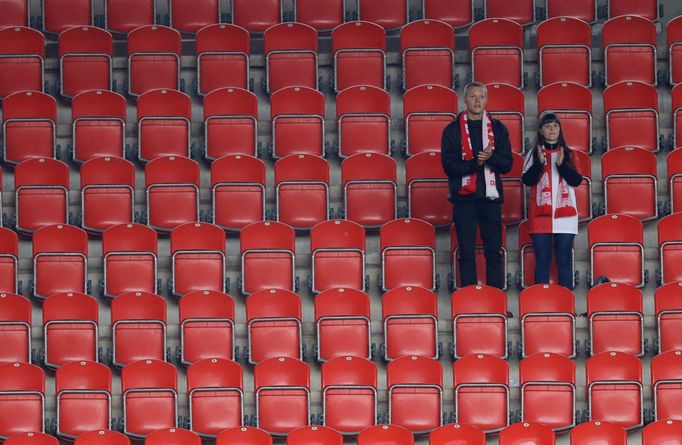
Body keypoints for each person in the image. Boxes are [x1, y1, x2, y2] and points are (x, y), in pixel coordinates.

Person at [441, 82, 513, 290]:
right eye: (473, 96)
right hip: (463, 200)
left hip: (490, 199)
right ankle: (469, 297)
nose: (478, 100)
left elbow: (507, 164)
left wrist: (491, 158)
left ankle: (495, 297)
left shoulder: (498, 128)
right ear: (464, 99)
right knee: (466, 250)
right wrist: (476, 163)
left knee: (493, 250)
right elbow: (449, 167)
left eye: (481, 96)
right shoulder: (452, 130)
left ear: (486, 100)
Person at [522, 113, 582, 289]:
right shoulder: (533, 153)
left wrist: (562, 164)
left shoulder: (569, 153)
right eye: (547, 126)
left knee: (564, 259)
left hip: (566, 215)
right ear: (541, 130)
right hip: (540, 215)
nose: (552, 129)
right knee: (542, 259)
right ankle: (541, 304)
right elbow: (527, 180)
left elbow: (576, 181)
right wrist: (539, 164)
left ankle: (566, 304)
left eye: (555, 126)